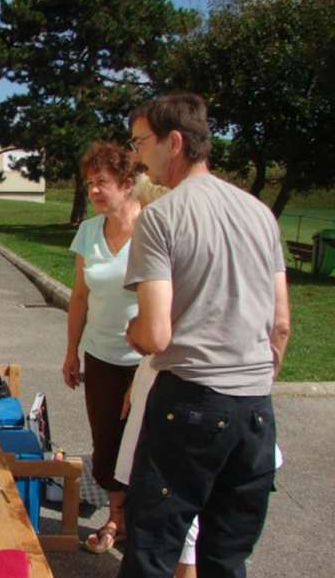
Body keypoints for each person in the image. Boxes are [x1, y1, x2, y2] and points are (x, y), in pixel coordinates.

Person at [120, 92, 291, 577]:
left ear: (174, 142)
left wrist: (132, 330)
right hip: (256, 408)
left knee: (152, 551)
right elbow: (280, 324)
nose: (136, 155)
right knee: (225, 556)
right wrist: (256, 379)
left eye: (141, 143)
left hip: (190, 403)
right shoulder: (260, 213)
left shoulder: (160, 217)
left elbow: (154, 335)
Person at [62, 141, 143, 553]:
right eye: (90, 183)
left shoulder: (151, 228)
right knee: (107, 441)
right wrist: (71, 350)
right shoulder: (89, 231)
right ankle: (116, 519)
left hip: (146, 360)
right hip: (100, 355)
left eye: (102, 183)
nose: (93, 191)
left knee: (144, 442)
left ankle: (145, 522)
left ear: (127, 184)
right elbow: (79, 296)